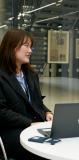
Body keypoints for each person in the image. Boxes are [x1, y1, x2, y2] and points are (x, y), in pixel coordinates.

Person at [0, 28, 53, 160]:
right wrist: (30, 123)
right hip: (12, 130)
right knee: (44, 151)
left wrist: (47, 113)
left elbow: (37, 102)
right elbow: (1, 112)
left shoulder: (31, 75)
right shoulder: (1, 76)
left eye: (31, 47)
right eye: (26, 46)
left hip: (34, 126)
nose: (30, 51)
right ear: (11, 46)